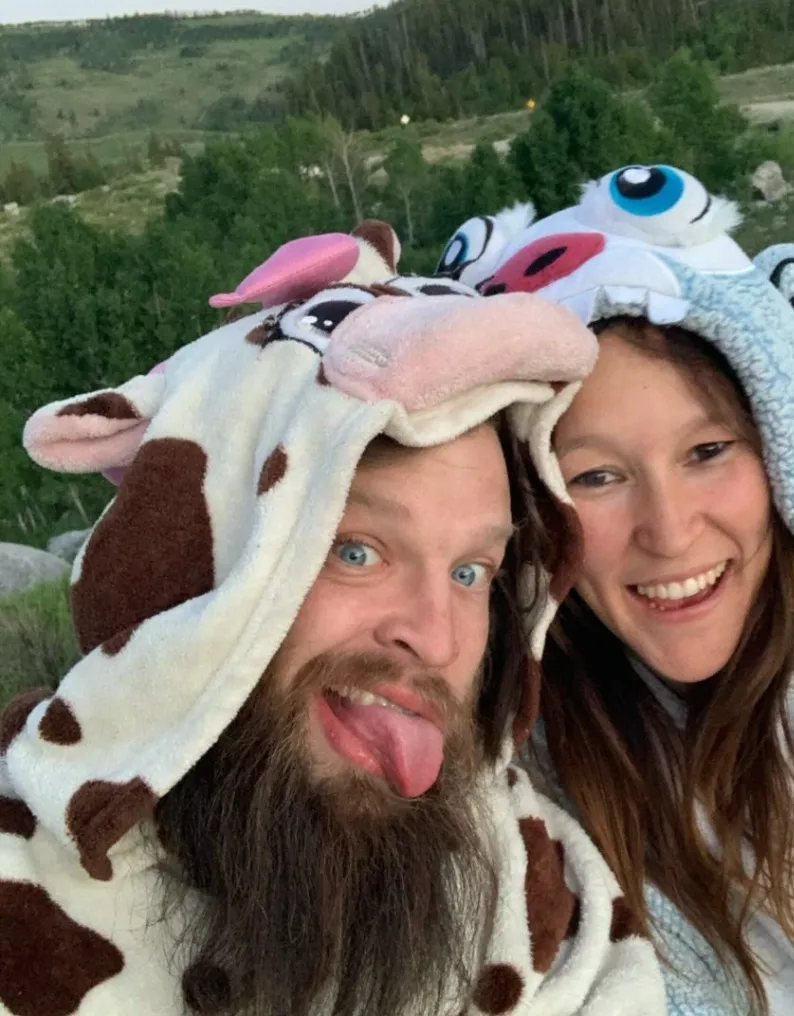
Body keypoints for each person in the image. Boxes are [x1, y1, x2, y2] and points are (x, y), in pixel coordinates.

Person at [0, 225, 667, 1016]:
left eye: (469, 573)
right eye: (356, 551)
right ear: (205, 559)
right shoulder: (21, 900)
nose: (436, 636)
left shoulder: (546, 900)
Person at [438, 166, 794, 1014]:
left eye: (709, 452)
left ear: (782, 443)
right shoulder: (523, 749)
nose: (670, 531)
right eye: (596, 476)